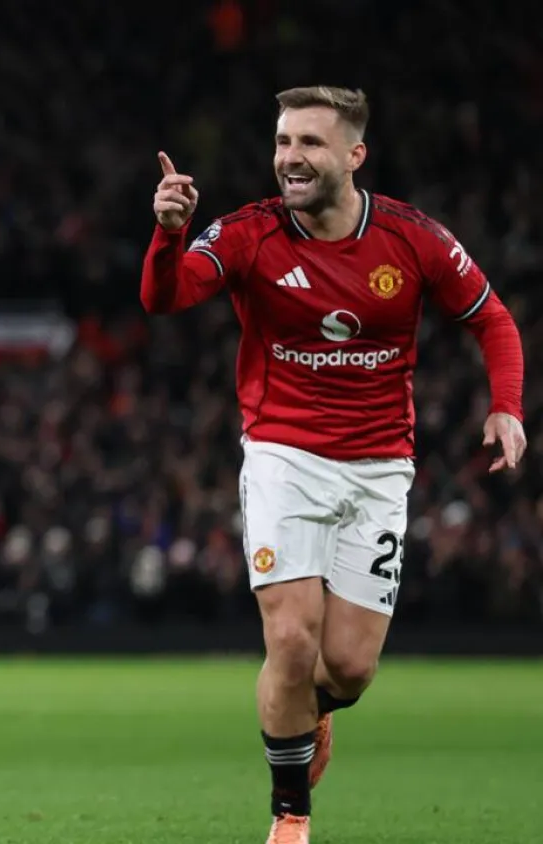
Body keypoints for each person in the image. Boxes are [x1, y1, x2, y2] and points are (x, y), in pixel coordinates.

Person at [141, 86, 526, 844]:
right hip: (284, 455)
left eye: (310, 144)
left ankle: (311, 716)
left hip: (381, 469)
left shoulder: (412, 238)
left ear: (355, 155)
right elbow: (166, 298)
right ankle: (290, 816)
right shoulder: (248, 233)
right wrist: (169, 235)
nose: (291, 158)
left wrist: (506, 405)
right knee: (289, 640)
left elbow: (492, 317)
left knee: (347, 669)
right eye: (284, 142)